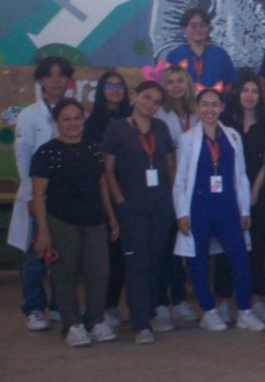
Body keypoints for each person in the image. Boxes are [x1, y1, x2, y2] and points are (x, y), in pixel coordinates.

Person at [172, 88, 265, 333]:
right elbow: (180, 179)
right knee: (199, 261)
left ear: (222, 107)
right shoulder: (187, 139)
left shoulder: (233, 136)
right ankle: (208, 311)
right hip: (199, 207)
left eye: (214, 104)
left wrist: (245, 210)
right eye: (205, 104)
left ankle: (244, 311)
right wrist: (181, 213)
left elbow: (241, 175)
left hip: (228, 207)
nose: (210, 109)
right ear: (197, 107)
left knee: (240, 258)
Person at [30, 99, 118, 347]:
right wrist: (44, 231)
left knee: (100, 272)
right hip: (62, 221)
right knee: (65, 273)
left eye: (77, 118)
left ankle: (95, 320)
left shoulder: (93, 149)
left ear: (84, 119)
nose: (72, 123)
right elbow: (38, 194)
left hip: (95, 221)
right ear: (56, 122)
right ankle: (72, 324)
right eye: (66, 119)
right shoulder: (46, 153)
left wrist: (111, 217)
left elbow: (102, 185)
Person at [102, 81, 176, 344]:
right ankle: (140, 322)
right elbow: (108, 170)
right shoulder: (117, 128)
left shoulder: (161, 128)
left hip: (161, 207)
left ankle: (152, 310)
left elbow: (170, 166)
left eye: (156, 101)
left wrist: (173, 200)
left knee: (155, 261)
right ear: (135, 96)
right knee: (137, 264)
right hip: (131, 208)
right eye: (146, 97)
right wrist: (120, 202)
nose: (150, 104)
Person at [10, 56, 73, 332]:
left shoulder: (74, 111)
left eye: (61, 74)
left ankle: (60, 305)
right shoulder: (28, 114)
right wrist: (29, 197)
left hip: (66, 196)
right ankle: (34, 308)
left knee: (65, 254)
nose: (56, 80)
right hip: (38, 195)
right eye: (50, 75)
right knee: (37, 254)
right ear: (41, 80)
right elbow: (23, 158)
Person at [215, 72, 265, 323]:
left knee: (257, 246)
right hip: (227, 193)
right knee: (225, 247)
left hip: (258, 194)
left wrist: (254, 191)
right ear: (237, 94)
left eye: (255, 91)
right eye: (245, 90)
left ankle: (257, 298)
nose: (250, 96)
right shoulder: (224, 122)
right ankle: (223, 299)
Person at [80, 71, 131, 327]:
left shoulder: (131, 117)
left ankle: (112, 305)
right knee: (105, 257)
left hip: (130, 193)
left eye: (119, 85)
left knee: (122, 256)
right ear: (101, 90)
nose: (115, 89)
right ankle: (99, 308)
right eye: (109, 85)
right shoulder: (93, 123)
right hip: (103, 196)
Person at [152, 64, 200, 329]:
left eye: (180, 80)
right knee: (165, 247)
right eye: (170, 81)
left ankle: (180, 299)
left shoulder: (198, 111)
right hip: (167, 188)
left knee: (185, 247)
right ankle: (161, 304)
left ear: (188, 84)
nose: (176, 86)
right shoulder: (159, 114)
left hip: (196, 188)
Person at [164, 8, 238, 87]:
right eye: (193, 26)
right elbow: (168, 84)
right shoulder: (174, 55)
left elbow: (229, 85)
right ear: (185, 29)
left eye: (202, 25)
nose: (198, 29)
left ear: (208, 28)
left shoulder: (220, 55)